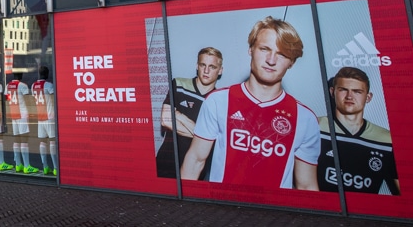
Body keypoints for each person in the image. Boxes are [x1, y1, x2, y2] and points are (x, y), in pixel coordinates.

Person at [180, 16, 319, 190]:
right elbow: (195, 161)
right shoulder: (218, 101)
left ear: (291, 62)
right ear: (251, 49)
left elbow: (306, 186)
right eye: (264, 49)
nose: (271, 60)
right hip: (221, 211)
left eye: (282, 54)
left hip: (276, 215)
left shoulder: (306, 119)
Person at [317, 67, 399, 194]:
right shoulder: (314, 127)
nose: (350, 96)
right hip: (321, 210)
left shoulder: (386, 139)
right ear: (332, 92)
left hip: (364, 212)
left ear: (368, 97)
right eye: (343, 90)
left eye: (357, 91)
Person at [155, 47, 223, 179]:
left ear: (220, 71)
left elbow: (214, 139)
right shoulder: (179, 85)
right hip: (165, 163)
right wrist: (202, 134)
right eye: (203, 65)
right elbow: (166, 120)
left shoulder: (220, 101)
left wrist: (179, 116)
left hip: (194, 172)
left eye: (212, 67)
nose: (206, 71)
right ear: (197, 66)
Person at [7, 73, 38, 174]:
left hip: (13, 113)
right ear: (21, 77)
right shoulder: (23, 86)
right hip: (22, 113)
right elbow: (27, 100)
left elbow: (6, 98)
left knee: (16, 139)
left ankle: (18, 165)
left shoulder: (8, 85)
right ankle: (26, 165)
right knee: (24, 139)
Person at [31, 66, 58, 176]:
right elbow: (54, 95)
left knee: (42, 142)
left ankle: (45, 167)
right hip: (49, 117)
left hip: (40, 117)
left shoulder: (33, 86)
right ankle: (56, 168)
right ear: (46, 74)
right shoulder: (49, 85)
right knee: (52, 141)